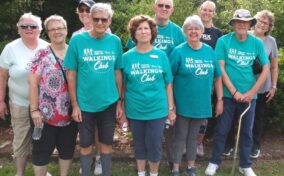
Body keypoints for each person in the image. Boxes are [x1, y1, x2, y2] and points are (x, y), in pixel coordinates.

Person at [205, 9, 269, 176]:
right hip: (228, 94)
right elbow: (220, 68)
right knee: (222, 129)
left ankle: (245, 165)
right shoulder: (224, 41)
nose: (241, 24)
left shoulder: (256, 43)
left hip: (250, 96)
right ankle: (214, 162)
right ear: (233, 24)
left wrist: (252, 92)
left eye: (245, 22)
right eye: (238, 21)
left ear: (249, 24)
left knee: (246, 131)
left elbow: (266, 69)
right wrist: (233, 91)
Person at [63, 3, 123, 176]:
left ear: (109, 20)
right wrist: (74, 105)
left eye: (104, 19)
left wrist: (119, 102)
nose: (99, 22)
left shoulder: (115, 41)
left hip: (109, 102)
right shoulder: (77, 40)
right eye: (96, 18)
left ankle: (105, 173)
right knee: (85, 145)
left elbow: (117, 72)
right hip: (85, 104)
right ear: (90, 18)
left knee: (106, 143)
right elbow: (71, 74)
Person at [120, 15, 176, 176]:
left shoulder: (161, 56)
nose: (143, 31)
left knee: (154, 144)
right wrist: (122, 109)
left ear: (152, 32)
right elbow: (123, 86)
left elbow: (168, 84)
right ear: (134, 33)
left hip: (157, 109)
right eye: (139, 28)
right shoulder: (127, 57)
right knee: (139, 144)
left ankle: (153, 173)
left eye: (146, 28)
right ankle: (141, 173)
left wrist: (170, 108)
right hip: (135, 109)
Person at [169, 15, 223, 176]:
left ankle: (191, 166)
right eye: (190, 28)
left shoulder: (209, 51)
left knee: (194, 138)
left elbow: (218, 77)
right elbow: (168, 80)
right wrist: (171, 105)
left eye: (197, 28)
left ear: (202, 31)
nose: (193, 31)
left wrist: (220, 100)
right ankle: (176, 168)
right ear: (185, 31)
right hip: (182, 104)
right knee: (179, 138)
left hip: (202, 103)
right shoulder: (178, 51)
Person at [28, 15, 78, 176]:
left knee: (67, 148)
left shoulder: (75, 52)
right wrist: (34, 110)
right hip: (44, 114)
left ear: (66, 30)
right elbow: (33, 83)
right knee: (41, 150)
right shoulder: (41, 55)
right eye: (52, 29)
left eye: (60, 28)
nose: (57, 31)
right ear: (47, 33)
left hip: (70, 113)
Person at [0, 12, 48, 176]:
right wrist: (1, 100)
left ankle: (42, 171)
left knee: (42, 139)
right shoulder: (10, 48)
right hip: (19, 102)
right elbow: (2, 76)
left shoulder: (46, 47)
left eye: (33, 26)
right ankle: (19, 173)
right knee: (21, 138)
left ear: (40, 29)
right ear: (18, 29)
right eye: (24, 26)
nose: (29, 29)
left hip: (43, 104)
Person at [196, 0, 223, 157]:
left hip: (209, 79)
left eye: (210, 10)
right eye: (204, 9)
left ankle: (199, 142)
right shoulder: (190, 27)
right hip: (190, 78)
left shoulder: (218, 34)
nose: (206, 13)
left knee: (204, 112)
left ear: (214, 13)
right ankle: (185, 142)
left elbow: (219, 58)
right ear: (200, 10)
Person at [250, 10, 278, 159]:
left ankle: (255, 146)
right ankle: (233, 145)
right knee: (238, 117)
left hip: (263, 88)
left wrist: (273, 86)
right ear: (255, 21)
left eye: (265, 23)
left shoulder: (271, 41)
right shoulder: (245, 35)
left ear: (269, 27)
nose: (262, 24)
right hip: (243, 86)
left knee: (258, 118)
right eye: (260, 20)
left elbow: (274, 67)